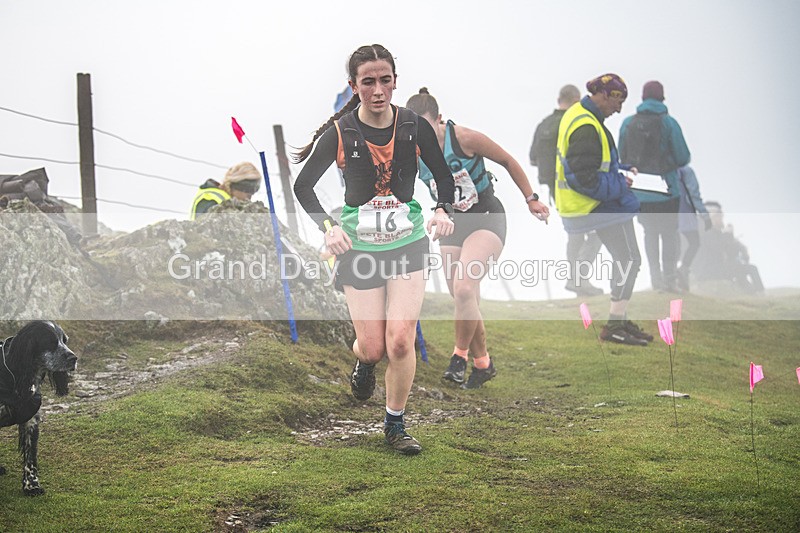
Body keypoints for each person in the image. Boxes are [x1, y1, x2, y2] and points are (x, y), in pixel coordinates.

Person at [292, 44, 455, 455]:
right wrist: (328, 228)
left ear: (395, 81)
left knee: (400, 341)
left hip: (409, 243)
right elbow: (303, 186)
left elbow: (443, 176)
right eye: (368, 82)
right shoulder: (341, 132)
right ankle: (363, 363)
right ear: (354, 85)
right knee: (374, 346)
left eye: (385, 80)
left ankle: (395, 425)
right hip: (359, 249)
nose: (378, 90)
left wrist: (441, 209)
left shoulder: (414, 125)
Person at [407, 88, 550, 389]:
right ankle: (483, 363)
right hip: (452, 223)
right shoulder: (409, 150)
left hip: (486, 217)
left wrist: (531, 198)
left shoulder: (464, 139)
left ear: (440, 121)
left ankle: (459, 357)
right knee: (462, 296)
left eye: (427, 129)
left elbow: (508, 160)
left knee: (463, 288)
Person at [555, 73, 652, 346]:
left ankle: (619, 320)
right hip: (596, 204)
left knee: (627, 259)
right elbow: (584, 177)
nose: (619, 109)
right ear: (603, 95)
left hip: (588, 202)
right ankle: (614, 325)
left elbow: (589, 166)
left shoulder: (580, 115)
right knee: (629, 259)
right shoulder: (587, 125)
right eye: (617, 101)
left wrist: (619, 171)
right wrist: (622, 183)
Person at [530, 84, 603, 297]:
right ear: (576, 100)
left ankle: (576, 279)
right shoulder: (574, 122)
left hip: (555, 188)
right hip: (577, 185)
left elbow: (533, 157)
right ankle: (579, 279)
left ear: (558, 99)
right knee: (595, 232)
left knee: (575, 233)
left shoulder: (544, 124)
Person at [619, 81, 691, 292]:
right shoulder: (670, 123)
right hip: (667, 190)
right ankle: (669, 281)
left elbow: (621, 155)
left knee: (649, 233)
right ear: (662, 98)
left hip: (640, 191)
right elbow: (683, 156)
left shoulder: (628, 124)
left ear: (642, 98)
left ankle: (655, 280)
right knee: (669, 234)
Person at [693, 201, 764, 293]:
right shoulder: (706, 232)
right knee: (751, 269)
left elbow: (729, 251)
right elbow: (719, 248)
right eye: (719, 216)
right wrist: (727, 235)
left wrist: (741, 248)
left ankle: (751, 293)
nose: (722, 219)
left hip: (717, 268)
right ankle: (760, 293)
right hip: (708, 271)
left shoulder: (716, 232)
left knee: (739, 269)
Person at [676, 165, 712, 291]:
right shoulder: (685, 170)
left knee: (673, 245)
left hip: (667, 213)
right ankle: (683, 271)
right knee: (694, 243)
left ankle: (671, 276)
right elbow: (694, 194)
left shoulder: (661, 168)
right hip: (685, 212)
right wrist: (705, 216)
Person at [190, 162, 262, 219]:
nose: (249, 197)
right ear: (236, 185)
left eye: (254, 191)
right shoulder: (210, 199)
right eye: (247, 190)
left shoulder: (233, 203)